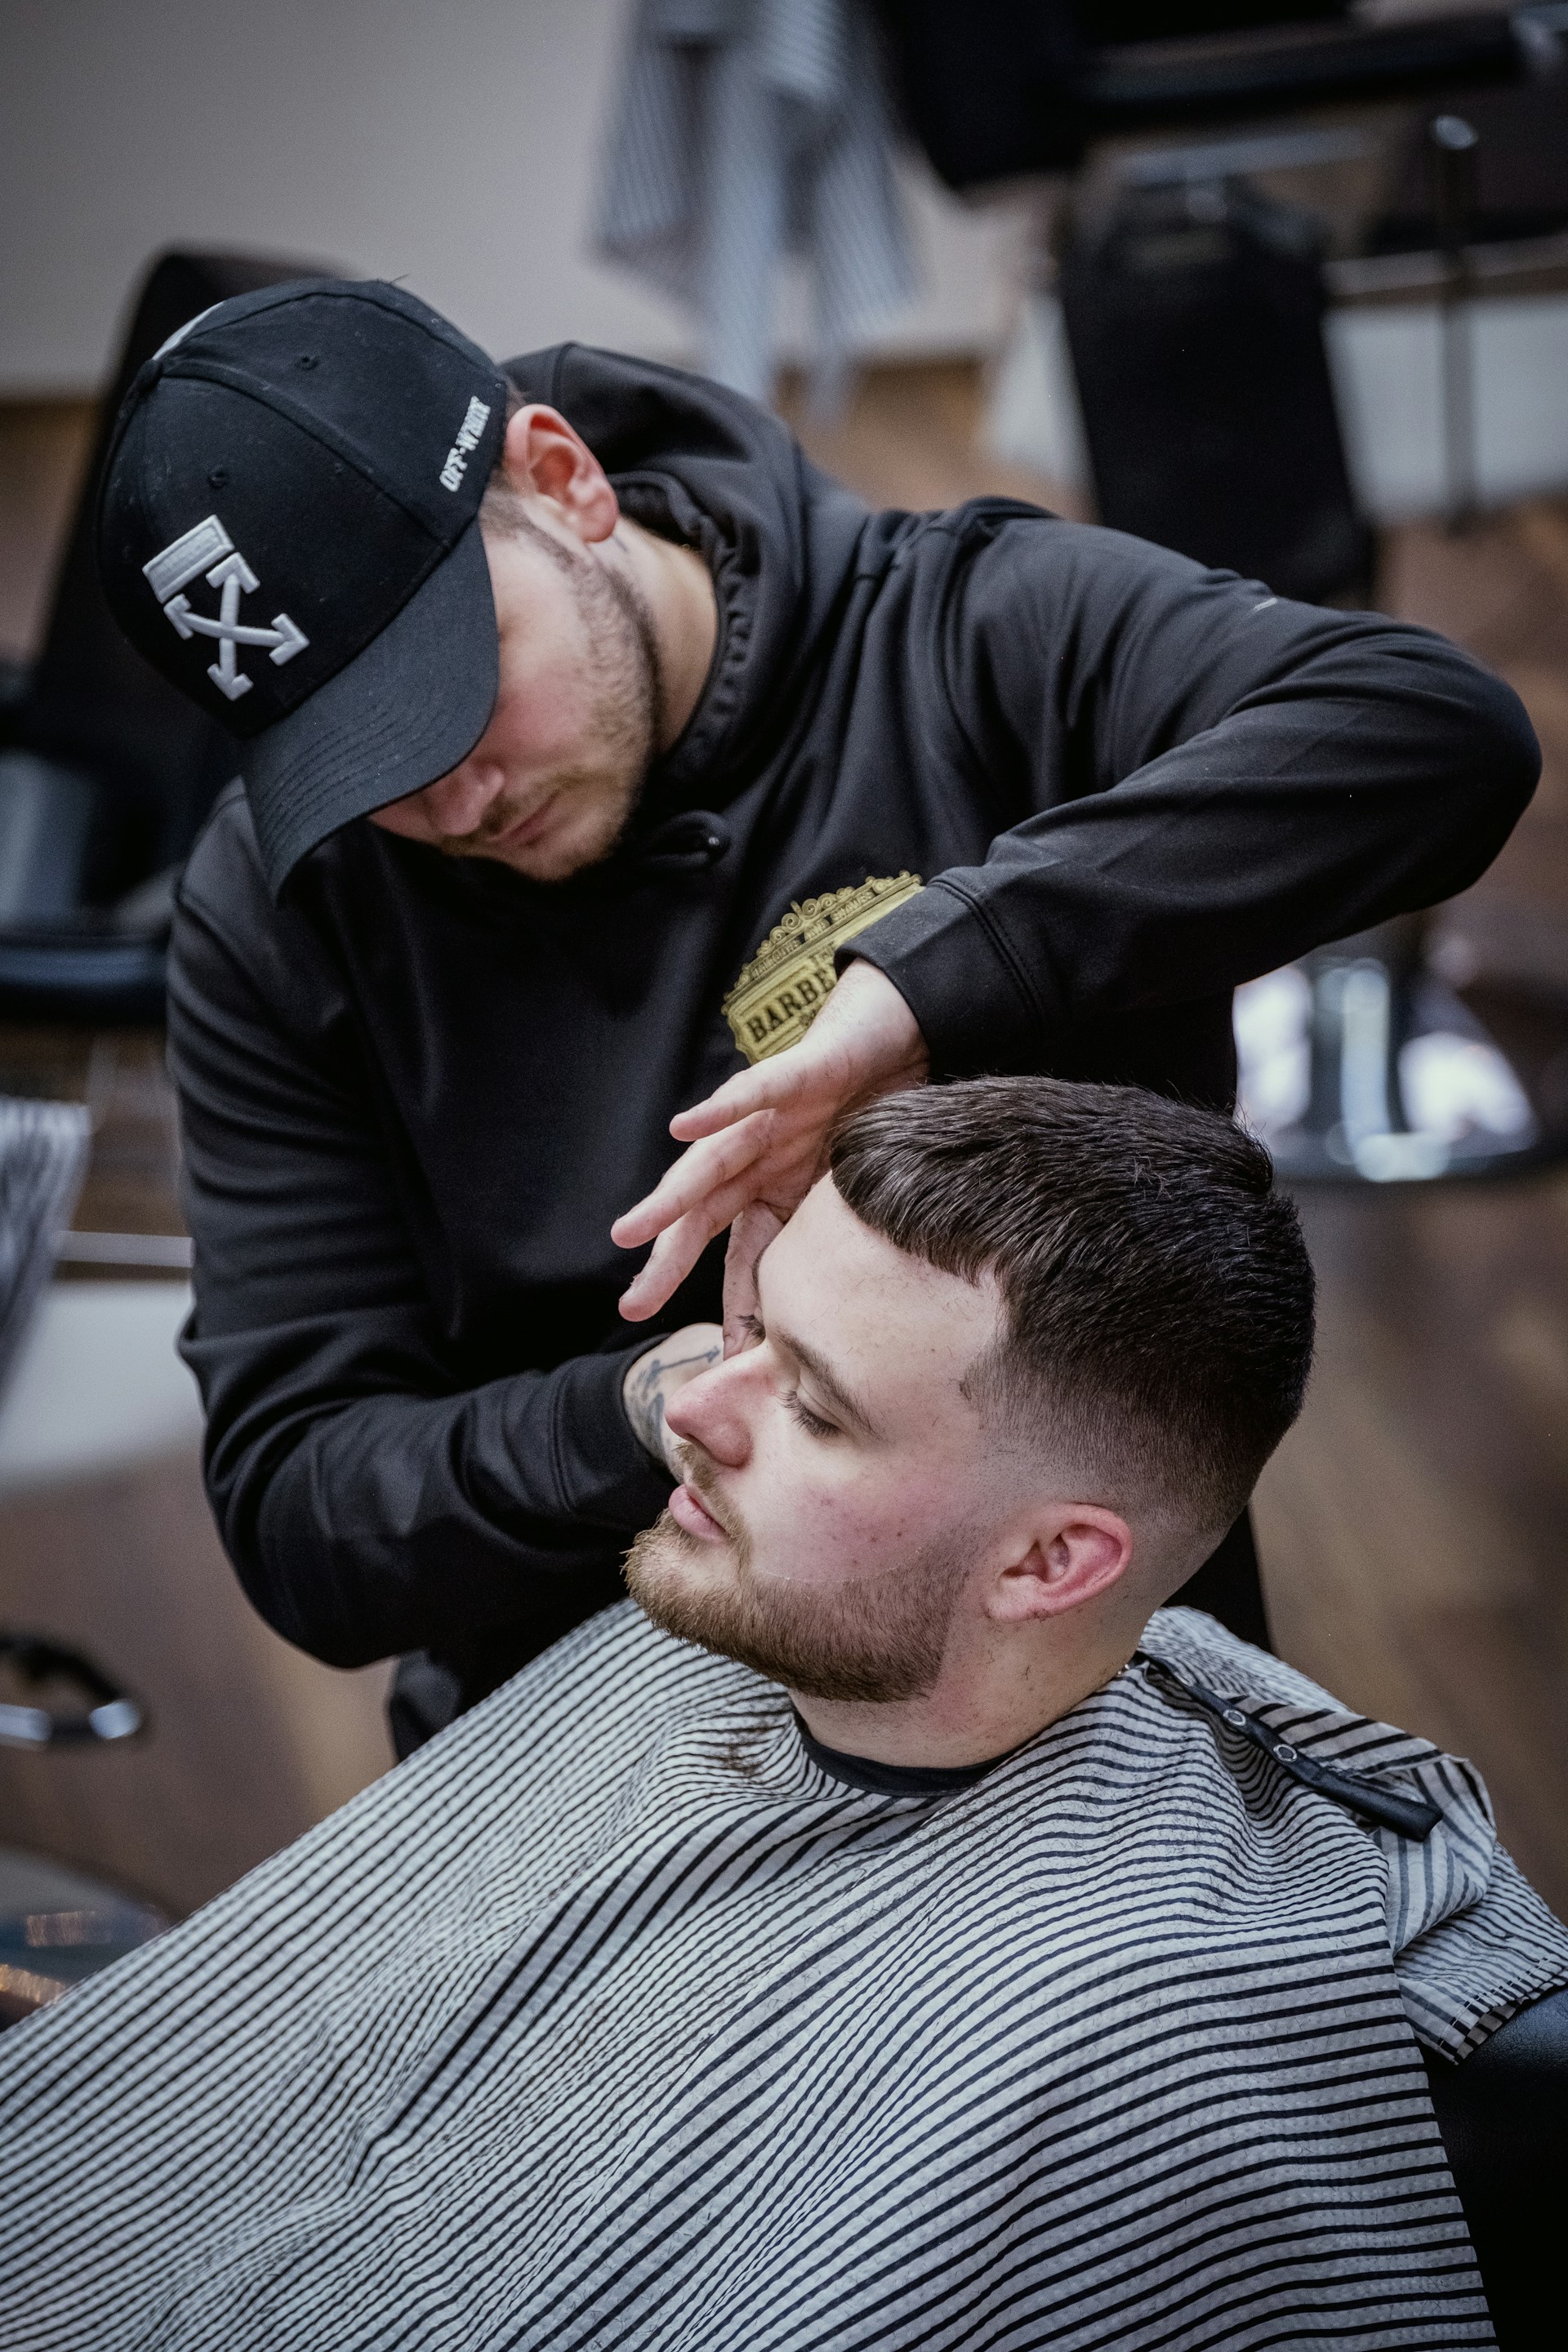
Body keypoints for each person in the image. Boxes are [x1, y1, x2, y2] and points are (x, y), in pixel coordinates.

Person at [96, 278, 1540, 1744]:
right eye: (367, 765)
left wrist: (930, 981)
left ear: (563, 480)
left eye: (454, 697)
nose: (454, 801)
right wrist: (661, 1410)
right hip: (585, 1702)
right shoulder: (290, 908)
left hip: (1065, 1678)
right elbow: (306, 1520)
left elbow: (1433, 734)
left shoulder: (958, 636)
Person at [2, 1078, 1563, 2350]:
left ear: (1051, 1561)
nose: (685, 1406)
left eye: (811, 1405)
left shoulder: (1098, 2048)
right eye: (746, 1331)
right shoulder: (721, 1624)